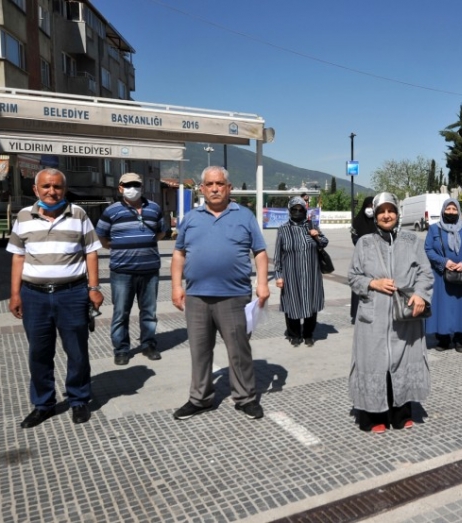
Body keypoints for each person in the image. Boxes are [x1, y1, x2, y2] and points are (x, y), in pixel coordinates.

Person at [170, 166, 270, 420]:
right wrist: (176, 286)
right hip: (197, 297)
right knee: (199, 351)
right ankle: (200, 398)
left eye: (220, 184)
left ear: (229, 187)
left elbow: (259, 251)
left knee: (239, 350)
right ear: (202, 189)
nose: (215, 188)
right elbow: (179, 253)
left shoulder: (245, 216)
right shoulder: (191, 218)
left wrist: (262, 284)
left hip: (234, 296)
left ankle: (245, 397)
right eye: (210, 184)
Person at [7, 168, 104, 427]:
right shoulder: (23, 217)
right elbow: (18, 256)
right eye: (47, 187)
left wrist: (93, 288)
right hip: (34, 296)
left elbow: (91, 253)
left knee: (77, 351)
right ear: (36, 190)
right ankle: (43, 404)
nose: (52, 192)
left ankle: (79, 399)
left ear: (64, 189)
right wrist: (15, 294)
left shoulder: (79, 215)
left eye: (57, 187)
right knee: (39, 352)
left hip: (72, 294)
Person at [348, 192, 433, 433]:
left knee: (402, 361)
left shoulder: (412, 241)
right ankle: (374, 417)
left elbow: (425, 273)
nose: (387, 215)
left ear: (397, 213)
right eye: (382, 211)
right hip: (372, 317)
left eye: (391, 210)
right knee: (375, 363)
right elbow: (353, 276)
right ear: (375, 215)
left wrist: (420, 294)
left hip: (405, 316)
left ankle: (401, 414)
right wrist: (372, 284)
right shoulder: (364, 243)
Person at [96, 172, 168, 366]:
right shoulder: (111, 211)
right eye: (127, 185)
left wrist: (148, 242)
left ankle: (148, 345)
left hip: (150, 270)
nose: (132, 188)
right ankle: (121, 349)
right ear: (120, 188)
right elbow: (101, 235)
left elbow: (162, 230)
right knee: (121, 312)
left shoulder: (154, 208)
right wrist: (115, 247)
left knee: (149, 311)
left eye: (136, 184)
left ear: (142, 186)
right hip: (122, 271)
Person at [424, 198, 462, 352]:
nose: (451, 212)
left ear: (459, 211)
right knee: (442, 307)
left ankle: (461, 339)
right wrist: (444, 262)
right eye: (448, 209)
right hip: (441, 275)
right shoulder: (434, 229)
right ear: (443, 211)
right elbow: (428, 249)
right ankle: (443, 339)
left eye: (454, 209)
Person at [274, 196, 328, 347]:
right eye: (294, 209)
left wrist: (316, 235)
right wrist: (278, 276)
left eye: (300, 209)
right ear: (290, 210)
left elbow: (324, 242)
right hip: (291, 275)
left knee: (311, 304)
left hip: (311, 275)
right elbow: (278, 255)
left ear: (305, 210)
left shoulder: (311, 226)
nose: (297, 212)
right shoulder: (283, 229)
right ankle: (294, 334)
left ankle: (308, 334)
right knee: (292, 305)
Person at [349, 196, 375, 321]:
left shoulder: (378, 221)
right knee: (359, 284)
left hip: (377, 259)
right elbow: (354, 238)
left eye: (372, 206)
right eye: (368, 206)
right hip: (361, 259)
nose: (370, 209)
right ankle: (356, 313)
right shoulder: (357, 221)